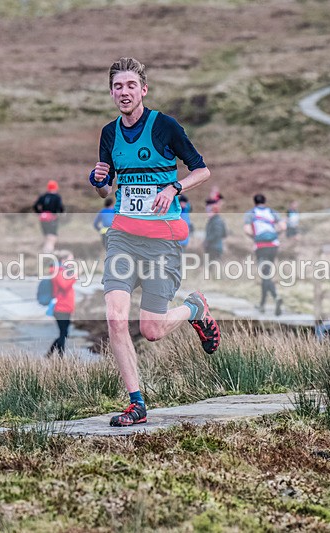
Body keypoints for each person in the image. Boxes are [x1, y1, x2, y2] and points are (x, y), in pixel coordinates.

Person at [88, 57, 220, 427]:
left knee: (152, 330)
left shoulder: (165, 126)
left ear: (143, 90)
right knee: (115, 318)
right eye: (118, 86)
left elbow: (202, 170)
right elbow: (105, 192)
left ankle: (194, 309)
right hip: (122, 238)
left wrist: (174, 187)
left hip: (162, 241)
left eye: (131, 85)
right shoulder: (109, 134)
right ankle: (136, 404)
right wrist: (98, 180)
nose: (124, 92)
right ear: (112, 92)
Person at [244, 194, 285, 316]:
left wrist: (254, 237)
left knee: (265, 275)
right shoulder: (272, 212)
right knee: (266, 275)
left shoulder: (251, 213)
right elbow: (283, 226)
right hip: (273, 246)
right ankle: (262, 305)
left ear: (254, 202)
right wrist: (275, 234)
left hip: (261, 247)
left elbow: (247, 229)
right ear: (265, 201)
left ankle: (276, 297)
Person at [47, 250, 77, 357]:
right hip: (60, 308)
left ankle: (51, 355)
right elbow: (64, 286)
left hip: (66, 307)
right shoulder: (57, 272)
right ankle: (58, 357)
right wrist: (74, 276)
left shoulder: (62, 271)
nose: (73, 262)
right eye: (71, 259)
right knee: (63, 334)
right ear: (64, 260)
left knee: (64, 333)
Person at [33, 180, 65, 253]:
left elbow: (35, 206)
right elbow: (60, 208)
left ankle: (45, 251)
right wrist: (61, 214)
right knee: (52, 236)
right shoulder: (57, 197)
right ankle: (49, 251)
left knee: (46, 235)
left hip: (43, 219)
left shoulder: (43, 196)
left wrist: (39, 213)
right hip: (52, 219)